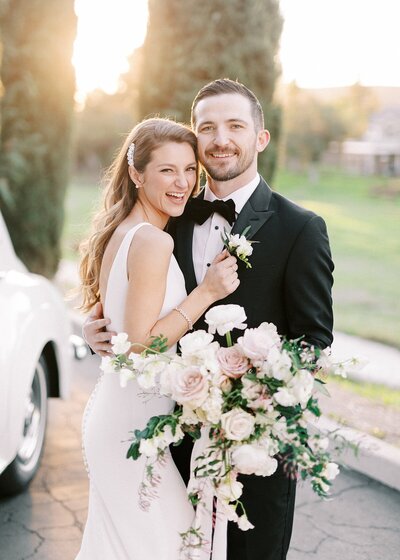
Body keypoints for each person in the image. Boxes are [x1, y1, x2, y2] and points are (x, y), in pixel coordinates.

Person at [84, 79, 334, 560]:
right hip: (166, 443)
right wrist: (94, 329)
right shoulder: (169, 213)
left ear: (260, 138)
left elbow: (313, 346)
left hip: (248, 452)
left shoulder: (300, 228)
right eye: (208, 128)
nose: (221, 139)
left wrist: (247, 400)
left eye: (235, 126)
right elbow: (126, 307)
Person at [75, 117, 239, 560]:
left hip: (122, 421)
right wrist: (206, 292)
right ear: (136, 173)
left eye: (190, 170)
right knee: (173, 549)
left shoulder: (123, 230)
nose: (182, 182)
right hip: (130, 430)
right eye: (167, 170)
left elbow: (113, 324)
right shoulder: (152, 242)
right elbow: (140, 347)